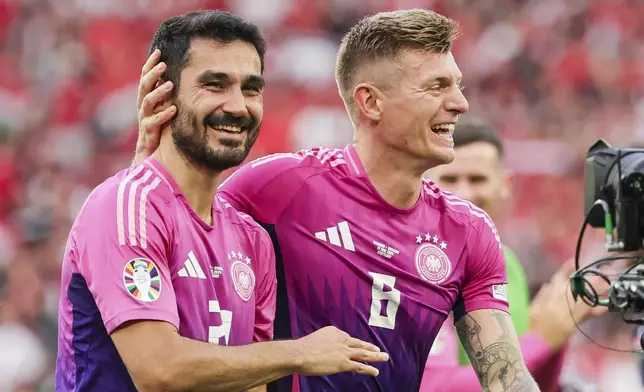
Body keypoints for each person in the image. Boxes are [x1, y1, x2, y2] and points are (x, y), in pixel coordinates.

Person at [134, 9, 542, 391]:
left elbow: (507, 379)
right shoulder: (279, 187)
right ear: (370, 101)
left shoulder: (468, 230)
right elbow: (174, 238)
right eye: (437, 87)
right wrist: (147, 163)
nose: (460, 103)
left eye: (457, 86)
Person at [55, 10, 388, 392]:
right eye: (215, 85)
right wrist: (298, 353)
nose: (237, 106)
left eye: (251, 88)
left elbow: (250, 381)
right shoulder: (125, 205)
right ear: (164, 94)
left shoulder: (251, 239)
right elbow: (158, 371)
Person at [420, 118, 606, 391]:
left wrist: (559, 329)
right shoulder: (413, 270)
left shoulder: (507, 265)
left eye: (477, 179)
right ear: (425, 186)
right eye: (450, 179)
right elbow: (439, 388)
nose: (463, 192)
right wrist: (542, 339)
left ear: (505, 184)